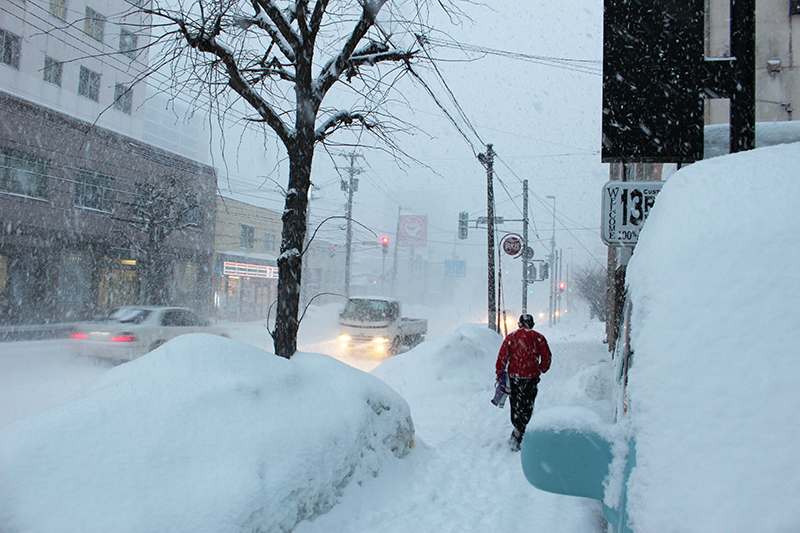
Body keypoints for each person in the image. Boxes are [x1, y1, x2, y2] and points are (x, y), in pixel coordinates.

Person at [495, 313, 552, 451]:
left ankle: (517, 429)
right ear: (532, 324)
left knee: (516, 404)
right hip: (531, 378)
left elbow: (503, 355)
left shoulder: (512, 337)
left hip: (515, 377)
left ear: (519, 324)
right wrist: (541, 368)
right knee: (528, 404)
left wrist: (499, 372)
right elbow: (546, 356)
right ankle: (522, 430)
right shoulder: (539, 338)